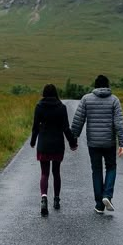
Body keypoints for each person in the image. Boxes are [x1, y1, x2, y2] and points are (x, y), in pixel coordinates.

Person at [71, 74, 123, 214]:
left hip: (93, 143)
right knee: (111, 167)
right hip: (109, 142)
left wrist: (74, 138)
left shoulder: (86, 99)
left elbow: (79, 120)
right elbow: (119, 124)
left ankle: (99, 204)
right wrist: (122, 142)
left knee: (96, 170)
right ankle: (107, 195)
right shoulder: (114, 100)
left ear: (95, 86)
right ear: (108, 86)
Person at [31, 83, 78, 216]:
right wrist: (72, 142)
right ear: (56, 93)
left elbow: (35, 127)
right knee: (56, 172)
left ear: (44, 93)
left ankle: (44, 198)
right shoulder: (61, 107)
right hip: (57, 144)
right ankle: (56, 200)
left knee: (44, 173)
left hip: (44, 144)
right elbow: (65, 128)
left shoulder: (39, 107)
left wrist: (33, 141)